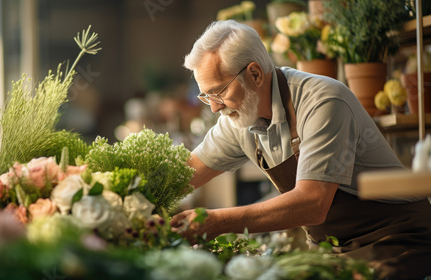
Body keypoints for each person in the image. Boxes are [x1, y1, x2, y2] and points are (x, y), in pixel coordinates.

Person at [170, 20, 431, 280]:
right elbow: (186, 174)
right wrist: (138, 200)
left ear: (255, 74)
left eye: (219, 92)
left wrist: (219, 222)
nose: (215, 108)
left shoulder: (324, 101)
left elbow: (313, 202)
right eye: (207, 97)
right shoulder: (238, 118)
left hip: (397, 240)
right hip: (331, 251)